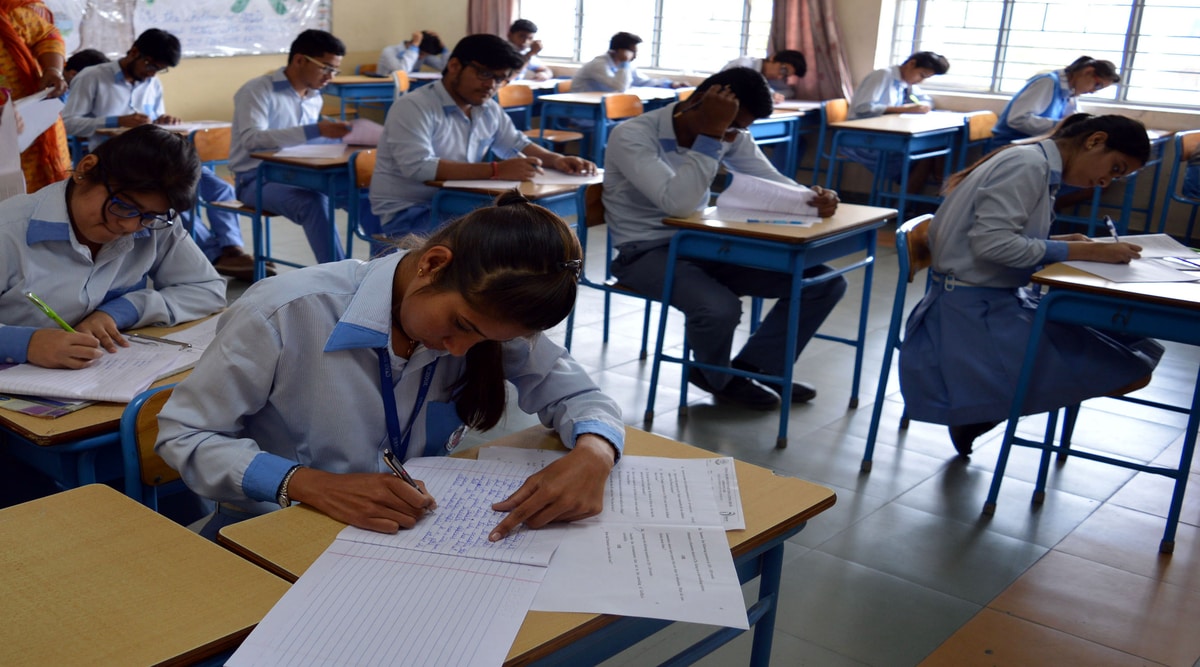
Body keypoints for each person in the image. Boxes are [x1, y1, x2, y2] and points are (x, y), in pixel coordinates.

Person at [156, 192, 624, 542]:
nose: (460, 351)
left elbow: (578, 395)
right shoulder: (288, 312)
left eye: (484, 339)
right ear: (434, 264)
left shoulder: (483, 323)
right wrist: (310, 485)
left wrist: (595, 454)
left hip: (402, 532)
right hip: (274, 526)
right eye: (460, 326)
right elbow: (185, 435)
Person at [898, 113, 1164, 456]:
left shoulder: (1036, 164)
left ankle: (982, 412)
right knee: (1124, 364)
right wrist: (1079, 250)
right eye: (1114, 168)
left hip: (992, 301)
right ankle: (980, 411)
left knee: (1125, 341)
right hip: (970, 316)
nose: (1104, 182)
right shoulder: (1026, 165)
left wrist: (1068, 242)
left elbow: (1002, 236)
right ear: (1094, 141)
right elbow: (992, 246)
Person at [603, 67, 843, 410]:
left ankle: (753, 368)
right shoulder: (634, 135)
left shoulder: (729, 133)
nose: (734, 136)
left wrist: (813, 197)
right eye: (731, 126)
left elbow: (771, 181)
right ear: (704, 101)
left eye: (739, 129)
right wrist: (712, 134)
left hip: (702, 243)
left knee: (823, 282)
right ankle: (713, 372)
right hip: (643, 252)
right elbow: (679, 203)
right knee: (718, 308)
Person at [0, 124, 226, 368]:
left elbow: (208, 289)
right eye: (123, 206)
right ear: (86, 170)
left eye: (148, 215)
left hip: (93, 380)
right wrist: (25, 343)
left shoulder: (153, 224)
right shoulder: (9, 230)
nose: (130, 226)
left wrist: (122, 310)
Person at [62, 29, 259, 280]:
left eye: (160, 69)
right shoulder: (93, 77)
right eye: (150, 65)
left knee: (219, 187)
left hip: (157, 153)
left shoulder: (152, 83)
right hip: (120, 162)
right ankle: (217, 256)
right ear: (133, 52)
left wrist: (163, 120)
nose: (152, 73)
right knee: (171, 198)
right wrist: (116, 120)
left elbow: (154, 119)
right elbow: (68, 123)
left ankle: (232, 249)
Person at [370, 33, 595, 239]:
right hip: (410, 212)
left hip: (457, 202)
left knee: (531, 234)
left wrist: (556, 160)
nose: (491, 85)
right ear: (455, 65)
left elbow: (516, 143)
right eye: (485, 74)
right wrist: (496, 171)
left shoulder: (486, 107)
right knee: (506, 242)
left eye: (500, 79)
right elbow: (419, 167)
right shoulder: (414, 106)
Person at [228, 29, 352, 265]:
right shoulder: (257, 90)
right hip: (256, 179)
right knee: (314, 202)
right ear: (299, 60)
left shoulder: (314, 96)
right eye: (326, 67)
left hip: (301, 173)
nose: (330, 77)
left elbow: (304, 144)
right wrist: (316, 130)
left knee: (362, 193)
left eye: (335, 70)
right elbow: (252, 140)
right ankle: (340, 273)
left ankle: (386, 271)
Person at [0, 0, 69, 193]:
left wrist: (53, 70)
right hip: (5, 146)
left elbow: (48, 35)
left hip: (35, 127)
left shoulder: (14, 14)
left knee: (46, 198)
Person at [991, 56, 1120, 145]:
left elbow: (1074, 118)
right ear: (1088, 72)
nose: (1093, 91)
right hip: (1011, 145)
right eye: (1097, 85)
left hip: (1033, 144)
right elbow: (1017, 120)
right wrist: (1061, 125)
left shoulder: (1070, 91)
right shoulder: (1047, 82)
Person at [570, 32, 684, 93]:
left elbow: (642, 81)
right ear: (619, 51)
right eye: (632, 52)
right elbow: (620, 87)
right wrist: (624, 62)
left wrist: (670, 84)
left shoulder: (626, 65)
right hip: (587, 113)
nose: (634, 56)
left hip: (608, 108)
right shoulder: (599, 65)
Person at [721, 50, 807, 103]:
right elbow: (741, 89)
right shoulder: (744, 64)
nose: (780, 77)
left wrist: (775, 95)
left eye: (785, 75)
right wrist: (768, 94)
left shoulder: (771, 77)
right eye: (783, 70)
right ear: (773, 58)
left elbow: (789, 92)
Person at [377, 30, 447, 75]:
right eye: (420, 53)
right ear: (412, 44)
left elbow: (444, 67)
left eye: (425, 55)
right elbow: (402, 71)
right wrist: (414, 47)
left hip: (409, 92)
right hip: (387, 92)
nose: (421, 57)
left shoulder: (423, 54)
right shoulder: (389, 51)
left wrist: (443, 46)